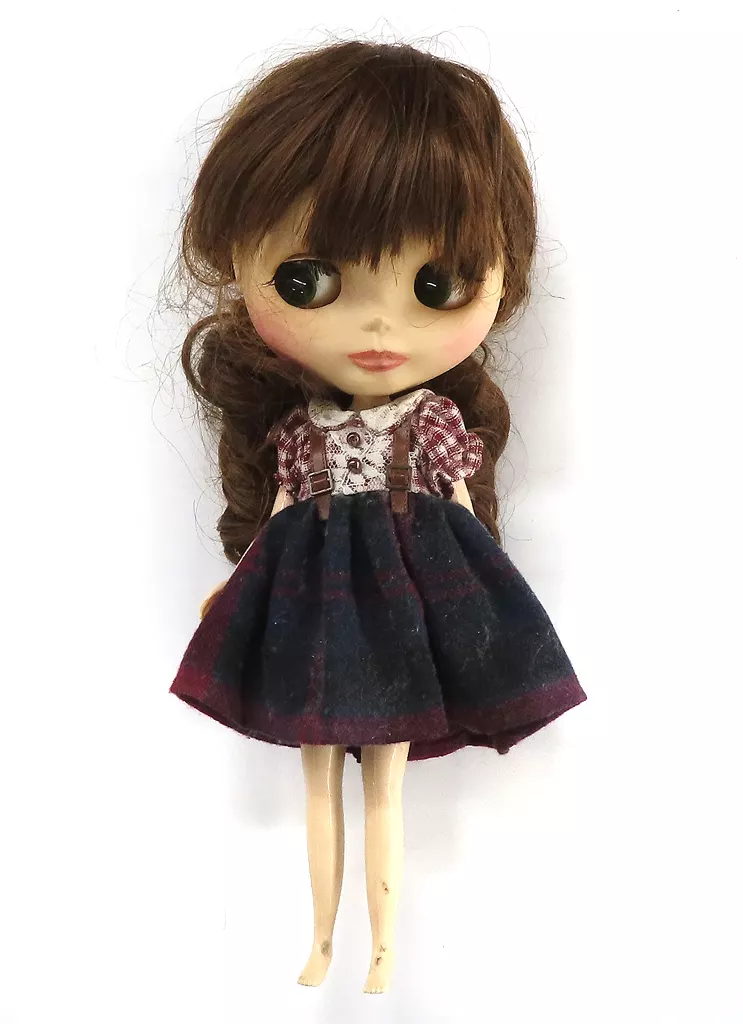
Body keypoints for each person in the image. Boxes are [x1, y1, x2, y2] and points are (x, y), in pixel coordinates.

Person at [168, 39, 587, 994]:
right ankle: (322, 939)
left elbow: (461, 518)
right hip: (311, 603)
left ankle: (384, 946)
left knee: (383, 783)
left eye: (435, 286)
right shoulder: (298, 432)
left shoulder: (430, 422)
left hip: (399, 606)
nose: (379, 327)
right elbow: (278, 517)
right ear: (235, 264)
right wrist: (235, 592)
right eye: (308, 281)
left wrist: (485, 610)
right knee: (318, 774)